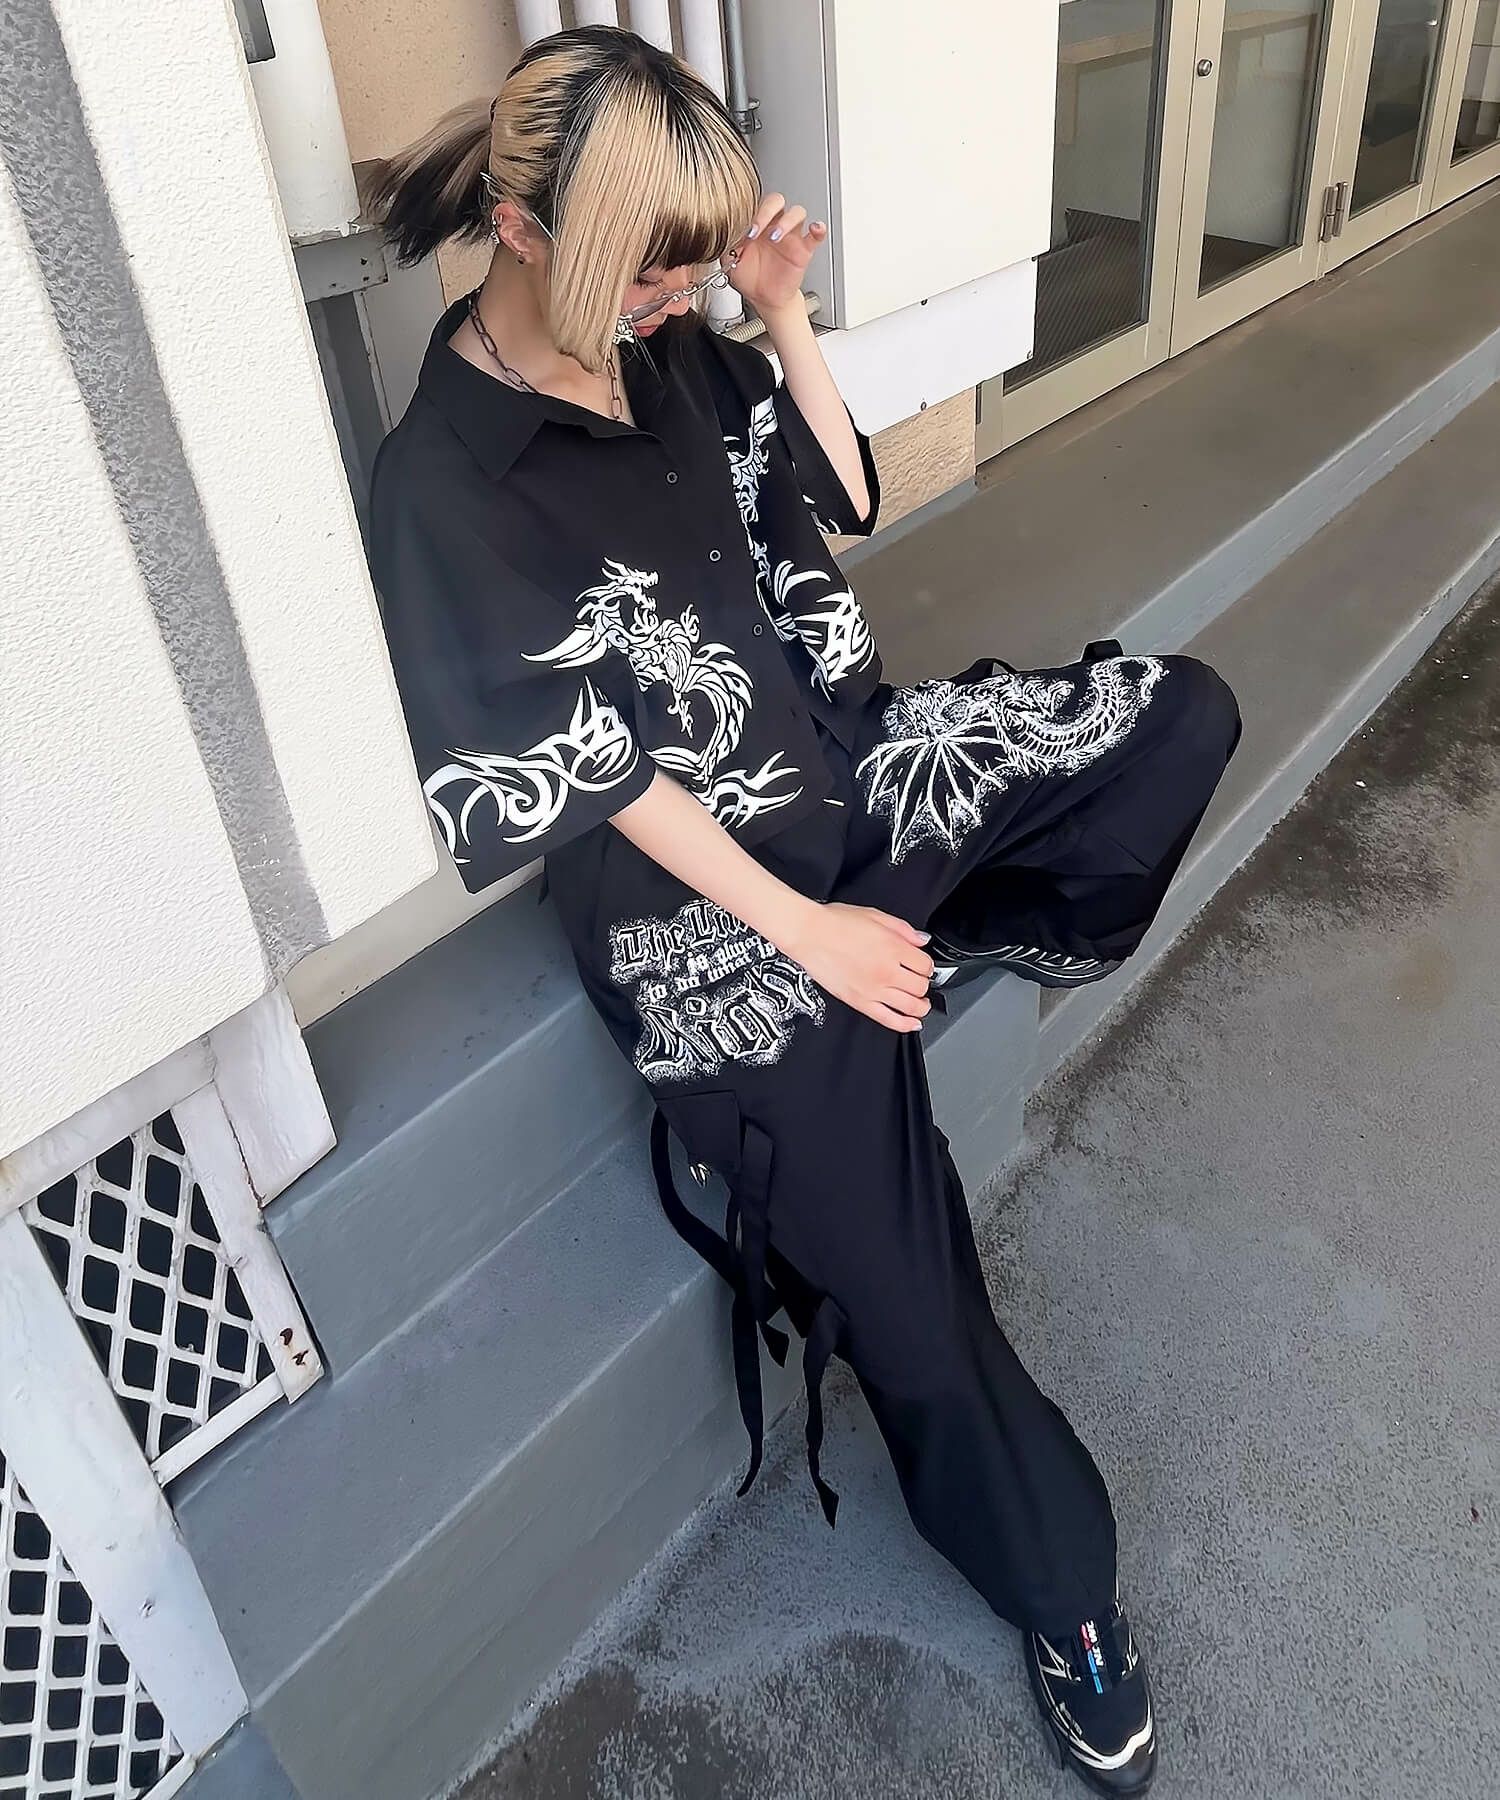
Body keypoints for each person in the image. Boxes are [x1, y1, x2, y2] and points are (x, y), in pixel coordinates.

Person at [365, 25, 1240, 1795]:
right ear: (525, 232)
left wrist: (776, 314)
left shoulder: (679, 341)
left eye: (694, 263)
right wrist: (812, 935)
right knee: (913, 1302)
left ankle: (970, 921)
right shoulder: (444, 481)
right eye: (655, 266)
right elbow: (595, 777)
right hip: (710, 926)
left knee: (1176, 716)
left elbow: (839, 495)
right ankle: (1062, 1593)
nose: (677, 293)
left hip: (849, 770)